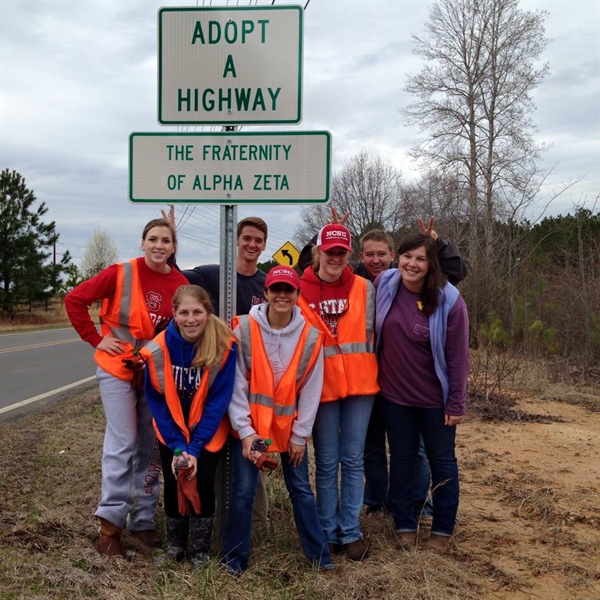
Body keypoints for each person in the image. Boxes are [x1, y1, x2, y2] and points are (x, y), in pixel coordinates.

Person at [65, 218, 188, 557]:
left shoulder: (180, 283)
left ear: (174, 247)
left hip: (153, 374)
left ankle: (143, 520)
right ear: (143, 242)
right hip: (116, 368)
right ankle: (110, 527)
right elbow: (75, 300)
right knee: (123, 442)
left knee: (150, 447)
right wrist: (95, 339)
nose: (159, 245)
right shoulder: (121, 272)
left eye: (166, 240)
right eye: (153, 239)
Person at [221, 266, 332, 574]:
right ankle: (234, 560)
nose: (282, 295)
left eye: (289, 290)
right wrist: (245, 432)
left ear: (297, 295)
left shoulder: (311, 336)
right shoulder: (242, 327)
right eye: (276, 289)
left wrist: (300, 435)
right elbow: (235, 384)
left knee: (301, 491)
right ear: (266, 293)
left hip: (288, 431)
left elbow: (312, 388)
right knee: (243, 491)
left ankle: (319, 558)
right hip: (251, 430)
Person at [375, 232, 470, 554]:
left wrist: (456, 401)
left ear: (431, 265)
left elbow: (458, 358)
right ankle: (404, 525)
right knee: (401, 461)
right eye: (407, 256)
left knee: (443, 464)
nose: (411, 264)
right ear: (396, 257)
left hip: (435, 401)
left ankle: (442, 531)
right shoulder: (385, 284)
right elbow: (326, 268)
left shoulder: (450, 300)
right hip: (394, 397)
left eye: (420, 258)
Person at [179, 214, 271, 521]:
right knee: (215, 443)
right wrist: (171, 243)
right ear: (236, 240)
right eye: (247, 238)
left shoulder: (265, 283)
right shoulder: (209, 274)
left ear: (264, 246)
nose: (252, 244)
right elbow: (176, 280)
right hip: (213, 376)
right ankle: (211, 512)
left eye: (258, 240)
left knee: (247, 439)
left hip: (252, 377)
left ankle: (254, 515)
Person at [297, 224, 378, 561]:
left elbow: (374, 333)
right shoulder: (298, 290)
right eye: (329, 251)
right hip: (321, 388)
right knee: (327, 462)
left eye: (341, 252)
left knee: (353, 459)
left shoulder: (364, 287)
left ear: (349, 255)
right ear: (317, 251)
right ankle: (328, 531)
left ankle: (351, 530)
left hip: (361, 386)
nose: (335, 257)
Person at [141, 285, 237, 568]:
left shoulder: (224, 346)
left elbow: (219, 402)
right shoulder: (159, 348)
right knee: (173, 482)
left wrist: (195, 447)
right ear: (174, 314)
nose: (190, 319)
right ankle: (176, 546)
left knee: (203, 482)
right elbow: (156, 400)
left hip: (209, 428)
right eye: (184, 312)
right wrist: (178, 446)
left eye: (197, 312)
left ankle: (200, 551)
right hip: (172, 429)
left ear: (208, 313)